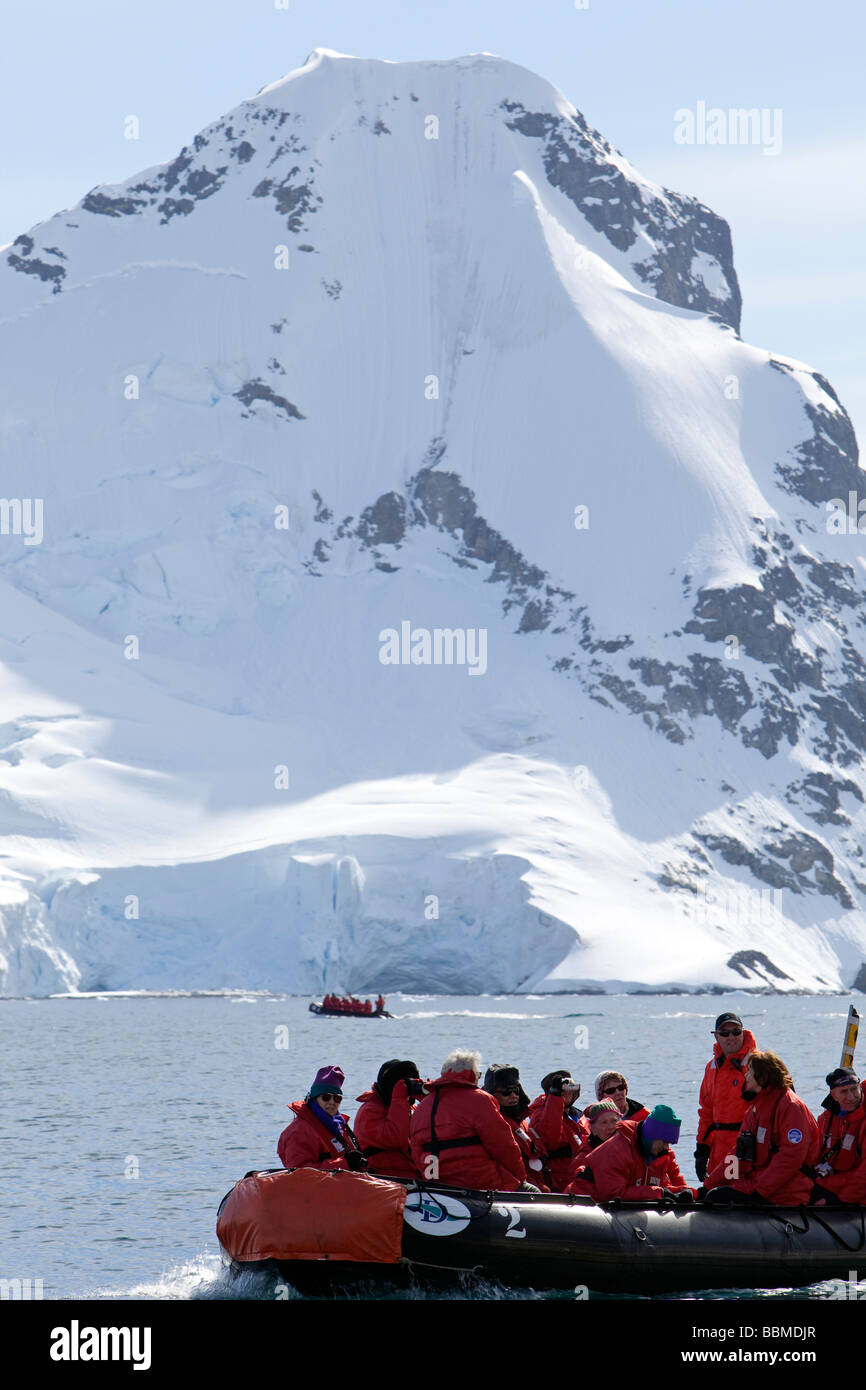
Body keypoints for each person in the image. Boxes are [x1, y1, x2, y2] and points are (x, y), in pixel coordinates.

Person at [704, 1050, 819, 1206]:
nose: (746, 1076)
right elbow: (740, 1155)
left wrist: (759, 1193)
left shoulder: (791, 1107)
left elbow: (790, 1158)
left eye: (750, 1071)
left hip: (787, 1192)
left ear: (763, 1077)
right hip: (759, 1185)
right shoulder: (756, 1108)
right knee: (712, 1195)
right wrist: (708, 1185)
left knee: (718, 1197)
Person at [409, 1049, 530, 1192]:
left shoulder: (422, 1107)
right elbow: (503, 1145)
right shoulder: (480, 1100)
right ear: (472, 1075)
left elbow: (416, 1151)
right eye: (478, 1075)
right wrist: (520, 1178)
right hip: (482, 1183)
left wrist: (432, 1179)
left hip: (439, 1185)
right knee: (534, 1192)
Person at [567, 1104, 694, 1203]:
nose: (666, 1147)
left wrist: (685, 1192)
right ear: (651, 1136)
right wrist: (659, 1193)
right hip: (580, 1204)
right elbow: (613, 1193)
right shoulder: (618, 1149)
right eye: (664, 1141)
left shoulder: (655, 1154)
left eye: (669, 1143)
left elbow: (659, 1186)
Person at [694, 1012, 757, 1183]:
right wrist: (702, 1149)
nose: (731, 1037)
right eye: (724, 1033)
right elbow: (706, 1112)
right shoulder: (712, 1067)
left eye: (736, 1031)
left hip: (746, 1148)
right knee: (714, 1194)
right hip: (719, 1148)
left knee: (732, 1196)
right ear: (716, 1037)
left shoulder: (757, 1064)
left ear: (743, 1033)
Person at [277, 1065, 367, 1172]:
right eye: (326, 1097)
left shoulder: (339, 1126)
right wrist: (345, 1163)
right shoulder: (299, 1131)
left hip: (342, 1184)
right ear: (315, 1098)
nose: (332, 1102)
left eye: (337, 1098)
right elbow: (300, 1173)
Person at [354, 1059, 424, 1179]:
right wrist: (399, 1098)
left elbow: (434, 1135)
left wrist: (427, 1101)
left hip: (417, 1180)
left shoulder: (410, 1107)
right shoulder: (369, 1111)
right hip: (384, 1181)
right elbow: (395, 1138)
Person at [483, 1064, 549, 1189]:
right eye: (506, 1092)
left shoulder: (522, 1122)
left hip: (538, 1185)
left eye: (516, 1090)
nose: (513, 1095)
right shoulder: (494, 1123)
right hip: (515, 1188)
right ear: (492, 1095)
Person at [811, 1067, 866, 1206]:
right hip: (831, 1182)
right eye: (844, 1091)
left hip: (854, 1193)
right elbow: (813, 1156)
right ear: (833, 1095)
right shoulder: (825, 1119)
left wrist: (839, 1200)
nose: (851, 1097)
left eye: (854, 1089)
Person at [526, 1069, 586, 1192]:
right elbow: (550, 1140)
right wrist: (555, 1099)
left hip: (577, 1177)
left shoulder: (576, 1116)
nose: (567, 1092)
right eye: (562, 1089)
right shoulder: (540, 1113)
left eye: (571, 1086)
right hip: (558, 1184)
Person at [569, 1099, 621, 1173]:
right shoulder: (583, 1160)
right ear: (592, 1128)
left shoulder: (631, 1148)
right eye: (604, 1122)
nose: (610, 1127)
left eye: (614, 1121)